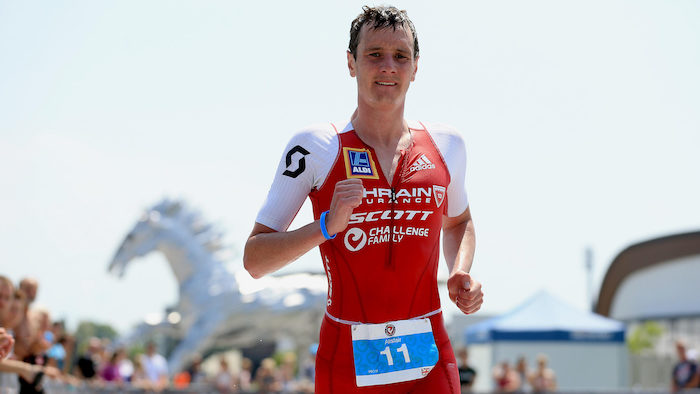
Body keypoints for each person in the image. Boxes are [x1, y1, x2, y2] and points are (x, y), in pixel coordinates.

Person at [244, 5, 483, 393]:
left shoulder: (447, 144)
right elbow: (254, 260)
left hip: (429, 356)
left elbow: (459, 221)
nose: (388, 66)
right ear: (351, 64)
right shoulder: (316, 146)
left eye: (400, 56)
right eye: (374, 54)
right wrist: (324, 226)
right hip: (346, 361)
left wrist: (460, 269)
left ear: (416, 67)